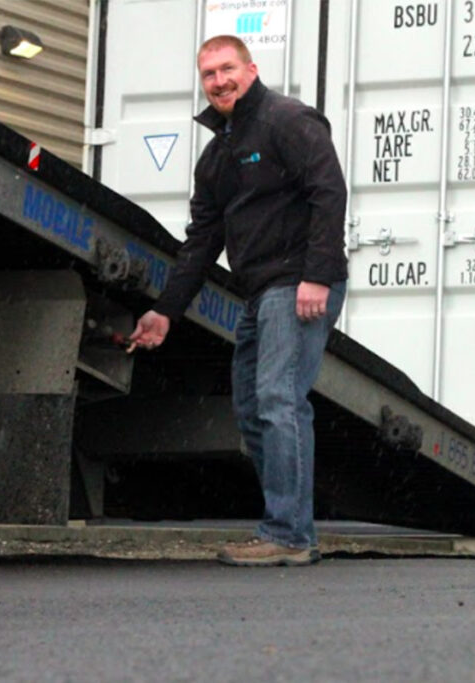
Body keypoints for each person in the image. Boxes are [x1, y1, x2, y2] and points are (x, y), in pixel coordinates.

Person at [129, 35, 347, 567]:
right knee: (252, 410)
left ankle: (289, 535)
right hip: (258, 293)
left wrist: (316, 275)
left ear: (251, 69)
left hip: (297, 283)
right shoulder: (218, 154)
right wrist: (165, 310)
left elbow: (328, 192)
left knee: (279, 400)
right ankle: (289, 527)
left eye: (227, 69)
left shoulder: (287, 121)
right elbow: (202, 240)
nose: (219, 81)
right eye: (209, 74)